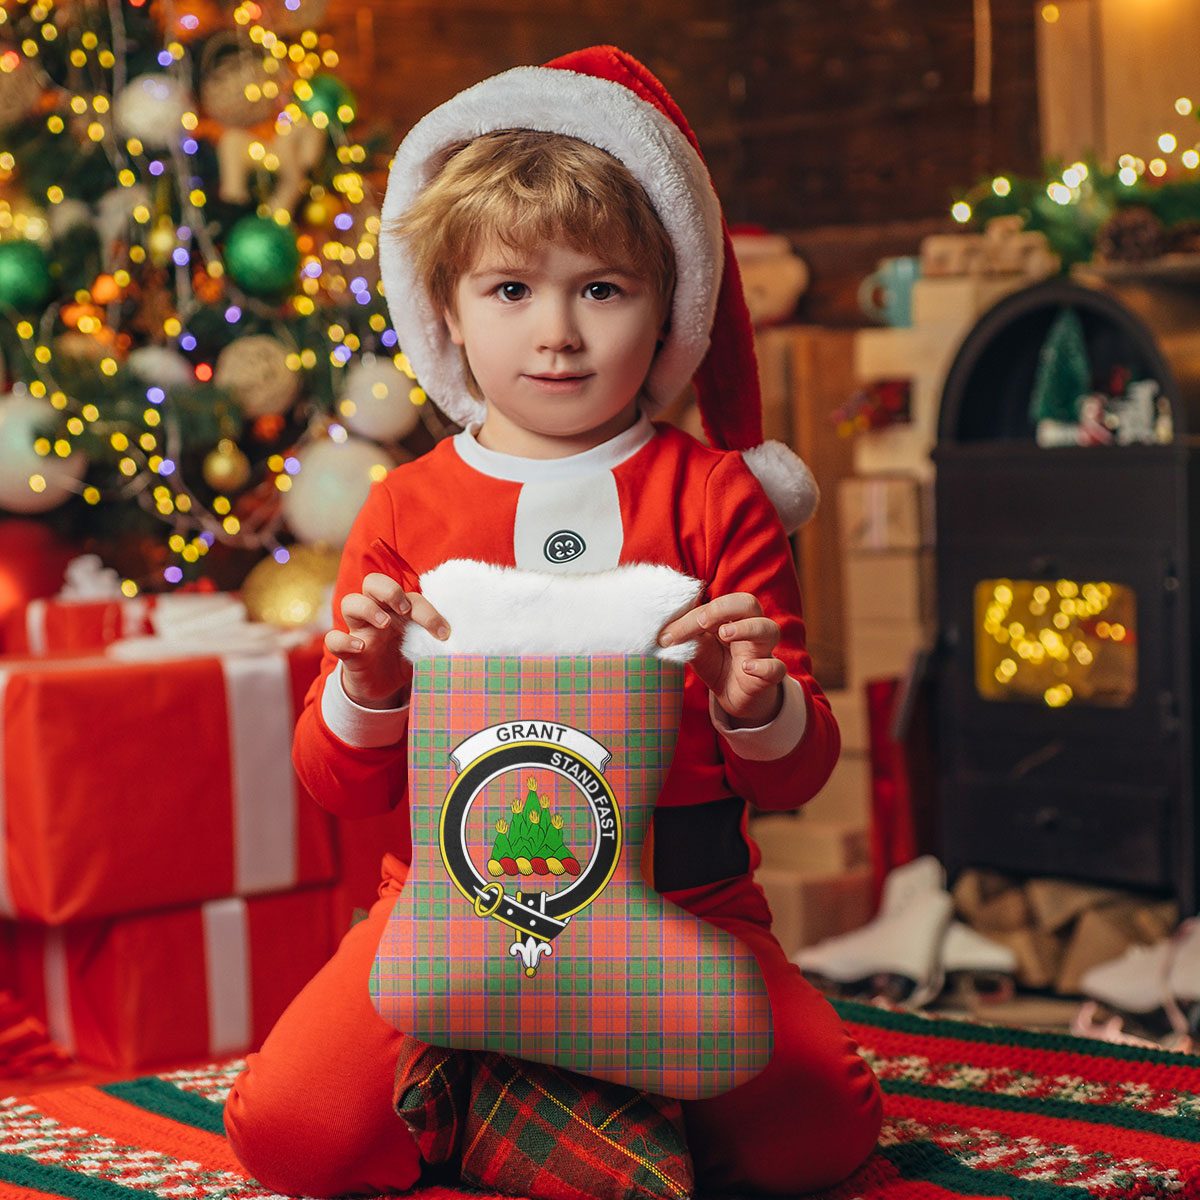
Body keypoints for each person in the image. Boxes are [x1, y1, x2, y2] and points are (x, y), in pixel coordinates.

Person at [224, 45, 882, 1197]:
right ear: (447, 310)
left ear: (665, 303)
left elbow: (796, 780)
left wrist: (760, 705)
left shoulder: (716, 496)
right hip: (449, 902)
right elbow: (339, 784)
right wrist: (369, 685)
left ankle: (529, 1085)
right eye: (512, 289)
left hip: (686, 903)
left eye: (602, 288)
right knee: (293, 1135)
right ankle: (535, 1080)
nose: (558, 334)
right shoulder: (408, 503)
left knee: (818, 1138)